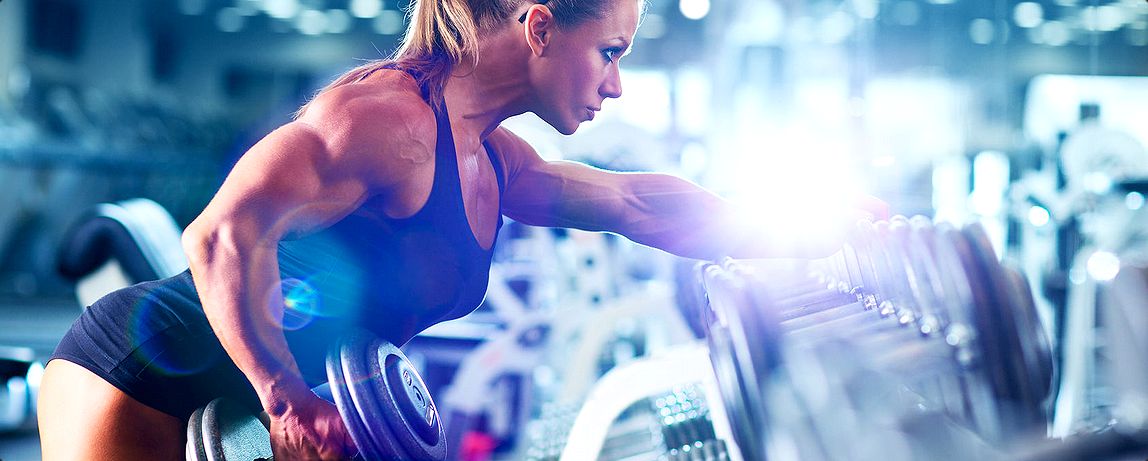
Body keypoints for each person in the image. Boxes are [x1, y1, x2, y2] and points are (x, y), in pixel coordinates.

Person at [36, 0, 870, 459]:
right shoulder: (385, 120)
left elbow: (637, 206)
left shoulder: (494, 159)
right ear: (540, 25)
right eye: (609, 51)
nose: (616, 85)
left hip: (244, 404)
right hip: (142, 376)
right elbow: (218, 234)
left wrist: (812, 231)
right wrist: (285, 395)